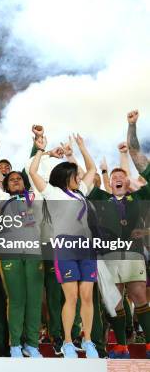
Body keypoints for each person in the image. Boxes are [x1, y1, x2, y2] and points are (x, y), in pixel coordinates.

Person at [28, 133, 99, 359]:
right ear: (64, 177)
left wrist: (82, 148)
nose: (78, 176)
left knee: (86, 296)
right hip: (65, 247)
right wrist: (41, 150)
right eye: (73, 174)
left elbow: (92, 171)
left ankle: (88, 341)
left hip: (86, 247)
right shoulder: (53, 192)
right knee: (72, 297)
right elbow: (32, 172)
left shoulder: (81, 193)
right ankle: (67, 341)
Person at [0, 136, 52, 358]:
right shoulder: (1, 198)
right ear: (6, 184)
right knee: (17, 299)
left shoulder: (36, 196)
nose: (15, 180)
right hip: (9, 253)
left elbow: (37, 173)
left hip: (33, 252)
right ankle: (14, 345)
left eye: (18, 178)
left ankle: (31, 344)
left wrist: (41, 151)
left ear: (24, 182)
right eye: (10, 179)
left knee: (33, 299)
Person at [86, 146, 150, 359]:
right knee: (114, 301)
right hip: (108, 256)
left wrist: (146, 230)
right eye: (114, 177)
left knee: (139, 295)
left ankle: (149, 344)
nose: (118, 178)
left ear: (127, 182)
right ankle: (122, 346)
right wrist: (74, 153)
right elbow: (82, 181)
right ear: (110, 183)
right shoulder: (100, 197)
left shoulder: (139, 198)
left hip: (133, 255)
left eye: (122, 176)